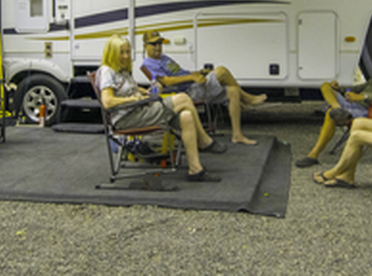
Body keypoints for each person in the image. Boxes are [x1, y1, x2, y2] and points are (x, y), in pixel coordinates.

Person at [97, 34, 227, 182]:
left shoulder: (120, 70)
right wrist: (134, 99)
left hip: (140, 109)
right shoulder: (108, 71)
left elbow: (126, 87)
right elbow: (107, 101)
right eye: (122, 52)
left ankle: (195, 170)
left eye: (128, 52)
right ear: (111, 53)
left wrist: (145, 91)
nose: (126, 56)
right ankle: (204, 141)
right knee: (183, 98)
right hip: (128, 117)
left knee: (186, 117)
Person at [140, 30, 266, 146]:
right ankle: (248, 99)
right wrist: (192, 78)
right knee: (222, 71)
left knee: (232, 90)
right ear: (145, 46)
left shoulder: (164, 58)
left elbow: (181, 73)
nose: (158, 47)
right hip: (186, 93)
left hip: (193, 85)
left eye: (160, 43)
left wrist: (200, 72)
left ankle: (237, 135)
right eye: (154, 44)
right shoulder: (148, 63)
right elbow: (166, 81)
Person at [295, 52, 372, 168]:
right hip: (353, 105)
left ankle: (313, 155)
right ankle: (337, 109)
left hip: (369, 111)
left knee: (330, 114)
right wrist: (341, 89)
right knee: (325, 85)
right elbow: (356, 89)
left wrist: (363, 97)